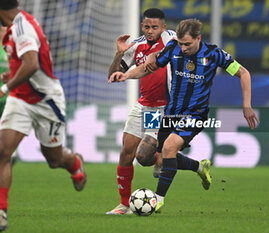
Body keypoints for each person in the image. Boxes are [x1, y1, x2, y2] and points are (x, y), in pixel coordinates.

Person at [109, 18, 259, 213]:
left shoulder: (214, 54)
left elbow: (244, 73)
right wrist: (126, 75)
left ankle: (158, 200)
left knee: (170, 147)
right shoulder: (173, 49)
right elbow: (148, 68)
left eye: (187, 44)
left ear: (199, 38)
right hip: (171, 114)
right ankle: (199, 167)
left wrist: (246, 105)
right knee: (155, 158)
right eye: (181, 43)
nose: (184, 48)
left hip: (195, 114)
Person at [0, 0, 87, 230]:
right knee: (3, 151)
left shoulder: (22, 27)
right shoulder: (13, 25)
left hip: (46, 101)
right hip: (20, 99)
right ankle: (1, 212)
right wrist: (12, 78)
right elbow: (22, 64)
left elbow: (32, 65)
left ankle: (75, 163)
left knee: (54, 159)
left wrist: (4, 88)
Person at [105, 8, 177, 215]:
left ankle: (159, 157)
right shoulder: (135, 45)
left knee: (143, 157)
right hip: (144, 104)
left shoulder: (172, 39)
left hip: (163, 107)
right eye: (146, 26)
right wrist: (118, 54)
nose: (150, 30)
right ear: (141, 26)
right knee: (126, 154)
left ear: (163, 27)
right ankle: (124, 204)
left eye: (155, 27)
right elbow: (113, 75)